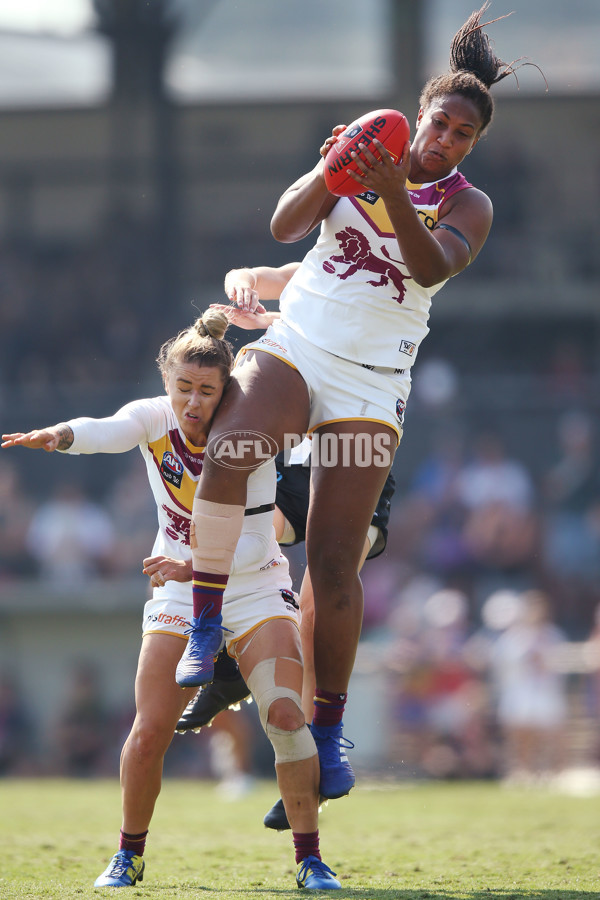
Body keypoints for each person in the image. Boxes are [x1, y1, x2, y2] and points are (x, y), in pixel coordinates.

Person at [176, 4, 529, 802]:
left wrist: (385, 187)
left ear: (473, 145)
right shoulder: (367, 149)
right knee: (231, 452)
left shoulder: (469, 205)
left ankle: (327, 738)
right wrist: (332, 167)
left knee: (335, 564)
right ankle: (205, 628)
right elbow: (282, 226)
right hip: (298, 345)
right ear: (419, 112)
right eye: (438, 122)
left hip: (372, 383)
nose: (444, 140)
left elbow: (430, 267)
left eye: (461, 134)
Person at [1, 310, 342, 891]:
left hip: (254, 582)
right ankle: (128, 855)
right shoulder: (154, 418)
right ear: (168, 384)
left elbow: (259, 536)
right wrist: (59, 436)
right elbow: (109, 428)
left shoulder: (246, 432)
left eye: (207, 391)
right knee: (150, 728)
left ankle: (310, 859)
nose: (192, 402)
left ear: (226, 391)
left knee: (286, 716)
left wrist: (191, 563)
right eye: (183, 387)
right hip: (181, 594)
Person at [176, 263, 395, 830]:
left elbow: (350, 345)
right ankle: (229, 660)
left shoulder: (395, 284)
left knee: (323, 589)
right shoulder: (332, 255)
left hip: (352, 451)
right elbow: (253, 273)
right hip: (297, 466)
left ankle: (321, 744)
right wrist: (245, 296)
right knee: (248, 537)